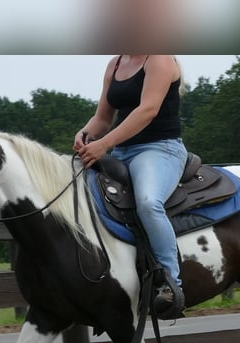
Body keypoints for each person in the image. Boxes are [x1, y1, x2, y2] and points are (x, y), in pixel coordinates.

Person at [74, 55, 188, 319]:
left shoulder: (159, 59)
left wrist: (104, 144)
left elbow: (148, 109)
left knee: (148, 203)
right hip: (121, 152)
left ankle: (171, 284)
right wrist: (85, 134)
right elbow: (103, 117)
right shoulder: (115, 64)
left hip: (160, 149)